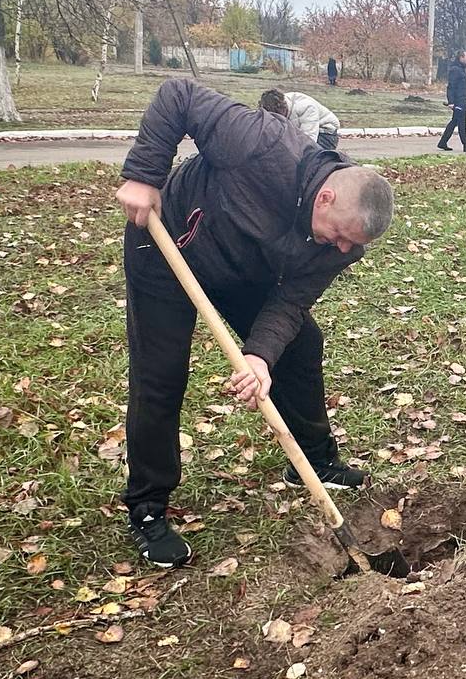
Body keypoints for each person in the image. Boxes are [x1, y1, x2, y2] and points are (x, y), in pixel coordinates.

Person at [116, 78, 395, 567]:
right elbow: (178, 96)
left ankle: (312, 458)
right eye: (340, 236)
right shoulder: (262, 143)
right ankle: (147, 506)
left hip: (244, 268)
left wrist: (259, 355)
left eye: (353, 245)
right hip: (168, 246)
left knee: (301, 344)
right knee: (160, 377)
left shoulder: (341, 243)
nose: (344, 249)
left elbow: (290, 301)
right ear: (325, 199)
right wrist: (144, 174)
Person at [259, 89, 341, 150]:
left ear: (282, 108)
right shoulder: (274, 104)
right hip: (302, 132)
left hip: (325, 134)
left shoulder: (307, 108)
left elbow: (310, 142)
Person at [437, 51, 466, 153]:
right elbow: (451, 87)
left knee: (454, 121)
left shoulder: (461, 70)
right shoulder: (455, 70)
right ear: (461, 58)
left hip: (462, 100)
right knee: (461, 123)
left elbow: (462, 88)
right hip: (458, 101)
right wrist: (451, 102)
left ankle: (443, 142)